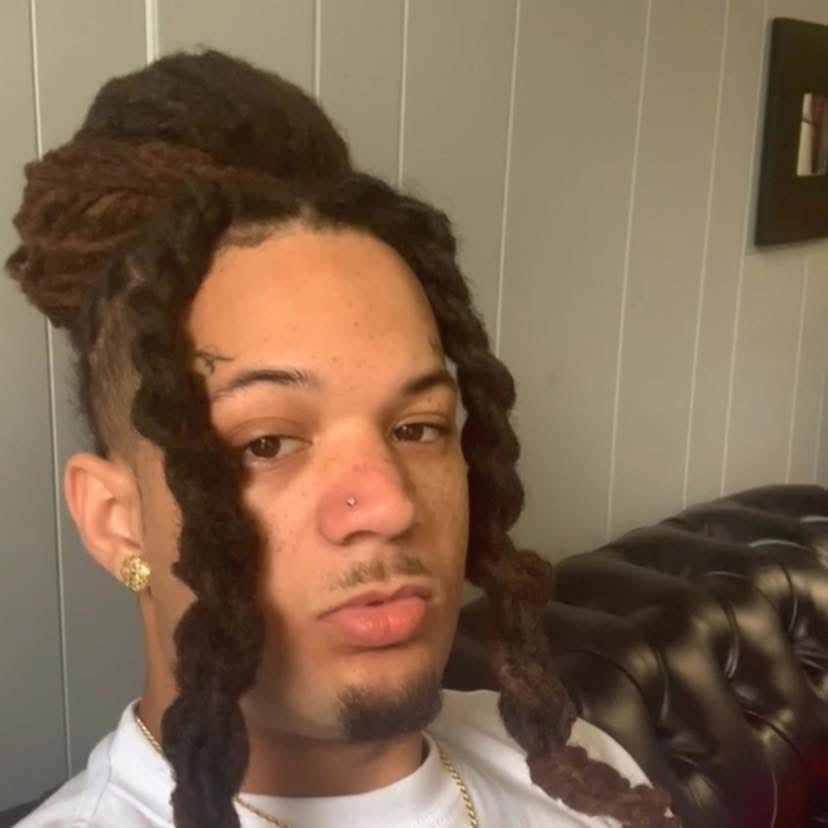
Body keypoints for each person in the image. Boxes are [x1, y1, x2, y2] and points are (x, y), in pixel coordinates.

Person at [7, 51, 677, 828]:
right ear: (116, 522)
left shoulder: (578, 769)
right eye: (267, 444)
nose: (390, 506)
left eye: (418, 428)